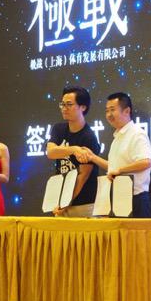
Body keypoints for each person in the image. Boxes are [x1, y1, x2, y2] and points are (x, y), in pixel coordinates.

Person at [80, 92, 151, 218]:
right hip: (119, 198)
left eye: (112, 110)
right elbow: (114, 167)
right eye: (107, 111)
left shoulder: (137, 134)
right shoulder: (117, 137)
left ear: (127, 111)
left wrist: (120, 170)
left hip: (136, 199)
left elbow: (146, 162)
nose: (109, 115)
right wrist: (92, 157)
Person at [46, 86, 100, 217]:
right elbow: (50, 152)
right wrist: (74, 149)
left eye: (69, 104)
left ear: (83, 107)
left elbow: (83, 176)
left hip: (84, 204)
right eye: (62, 104)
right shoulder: (58, 129)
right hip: (60, 202)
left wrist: (65, 203)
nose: (64, 108)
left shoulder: (89, 137)